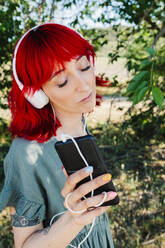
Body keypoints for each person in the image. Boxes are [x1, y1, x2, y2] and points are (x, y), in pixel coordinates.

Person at [0, 23, 117, 248]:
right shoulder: (26, 153)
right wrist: (73, 219)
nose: (84, 86)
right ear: (36, 94)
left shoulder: (80, 124)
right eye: (62, 81)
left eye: (84, 67)